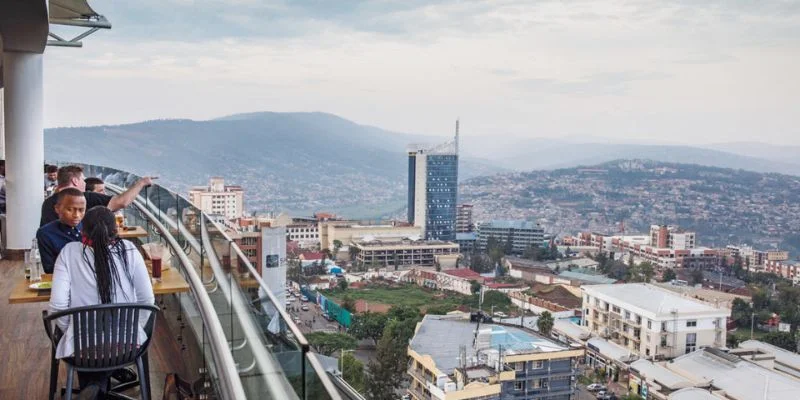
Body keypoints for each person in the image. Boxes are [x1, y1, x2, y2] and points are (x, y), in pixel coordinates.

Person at [49, 206, 155, 399]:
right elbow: (147, 299)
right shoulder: (130, 251)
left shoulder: (69, 253)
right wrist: (133, 329)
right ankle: (97, 388)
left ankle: (95, 388)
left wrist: (72, 332)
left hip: (82, 349)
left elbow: (57, 306)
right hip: (127, 345)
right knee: (106, 346)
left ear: (83, 231)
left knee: (90, 349)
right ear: (115, 231)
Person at [40, 165, 154, 226]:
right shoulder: (85, 198)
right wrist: (141, 183)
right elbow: (122, 202)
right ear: (75, 181)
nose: (85, 182)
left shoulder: (47, 203)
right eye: (82, 179)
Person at [35, 188, 85, 274]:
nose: (76, 215)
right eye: (70, 209)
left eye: (81, 210)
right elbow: (49, 269)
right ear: (57, 208)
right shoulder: (46, 233)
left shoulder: (89, 227)